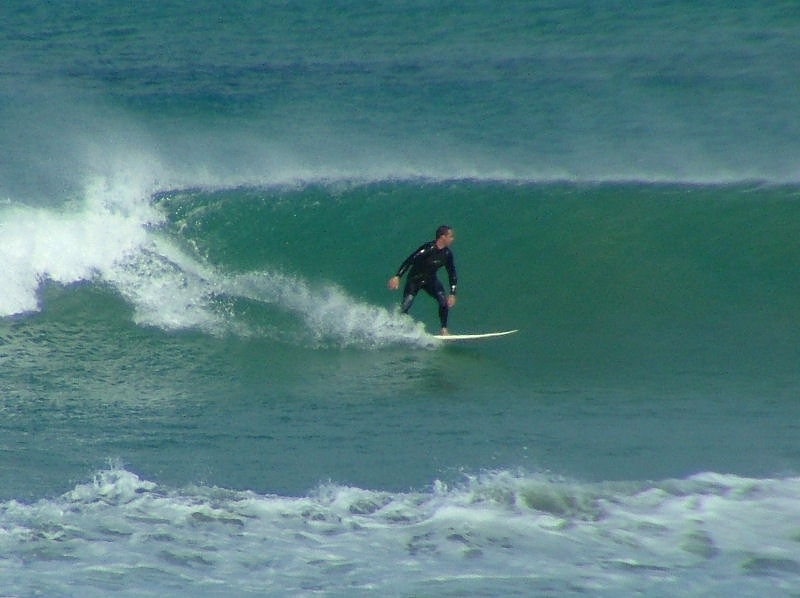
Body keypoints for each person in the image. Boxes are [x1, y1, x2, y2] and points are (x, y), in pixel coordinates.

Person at [388, 225, 457, 335]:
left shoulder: (447, 254)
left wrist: (453, 293)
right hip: (414, 280)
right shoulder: (428, 249)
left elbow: (452, 274)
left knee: (443, 301)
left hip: (430, 280)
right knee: (406, 304)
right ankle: (396, 327)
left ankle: (444, 329)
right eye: (451, 236)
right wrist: (398, 276)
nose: (452, 239)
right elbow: (410, 261)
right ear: (442, 237)